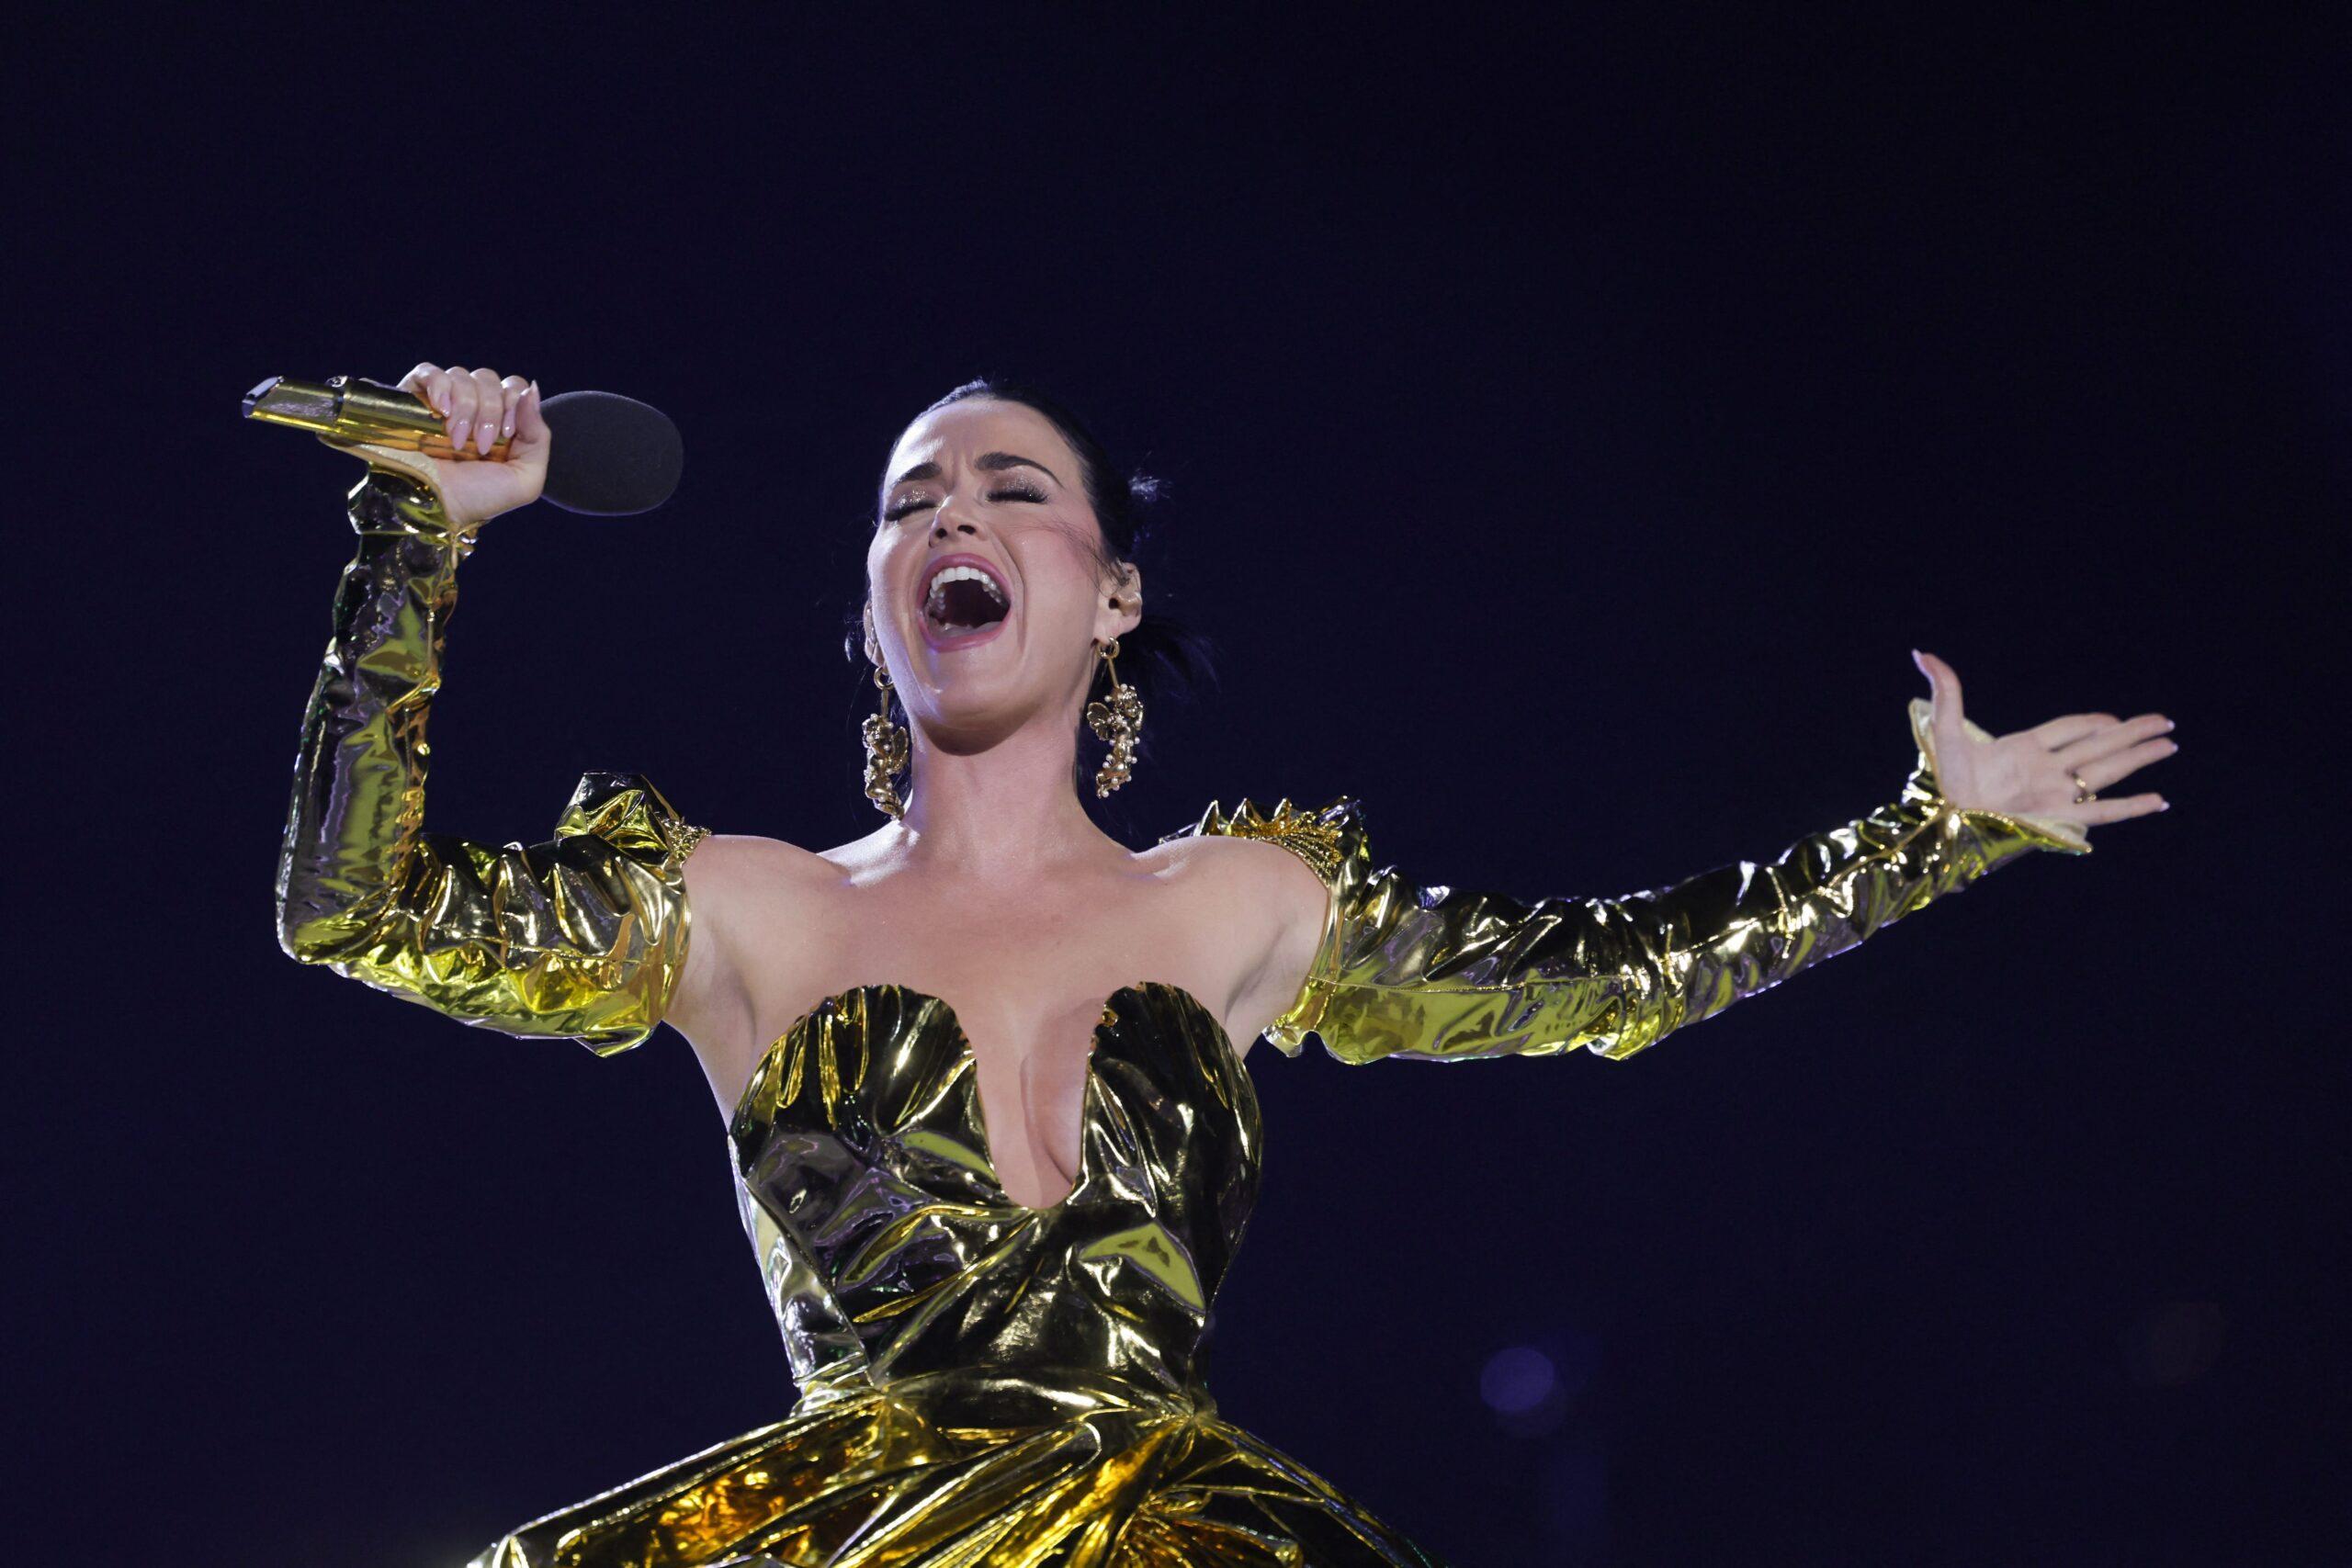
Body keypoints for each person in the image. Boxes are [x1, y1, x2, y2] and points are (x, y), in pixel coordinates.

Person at [276, 361, 2177, 1566]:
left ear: (1107, 595)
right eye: (906, 498)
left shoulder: (1245, 898)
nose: (950, 512)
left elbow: (1617, 974)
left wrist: (1925, 830)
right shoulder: (745, 908)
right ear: (870, 612)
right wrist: (414, 539)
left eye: (1011, 486)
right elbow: (354, 909)